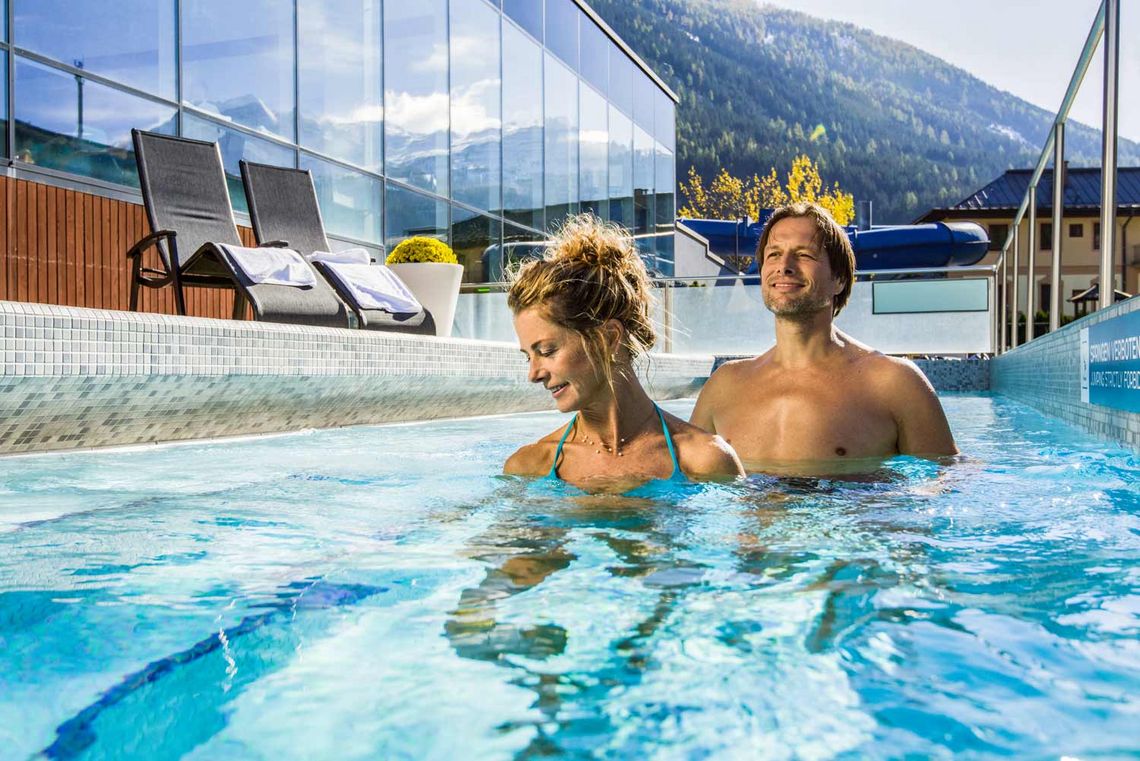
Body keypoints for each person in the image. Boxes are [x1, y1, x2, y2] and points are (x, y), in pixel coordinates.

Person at [690, 202, 958, 474]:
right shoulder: (725, 385)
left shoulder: (893, 383)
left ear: (839, 279)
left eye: (804, 255)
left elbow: (943, 483)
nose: (784, 266)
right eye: (774, 255)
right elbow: (684, 485)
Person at [504, 214, 744, 489]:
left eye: (547, 351)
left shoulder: (705, 460)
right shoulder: (531, 467)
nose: (533, 374)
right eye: (528, 356)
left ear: (609, 338)